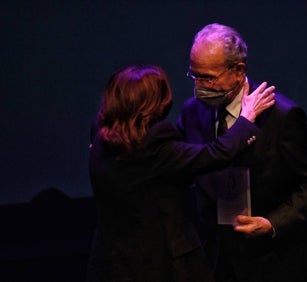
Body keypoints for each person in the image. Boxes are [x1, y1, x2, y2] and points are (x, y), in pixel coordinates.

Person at [86, 64, 276, 282]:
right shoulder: (154, 141)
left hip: (111, 264)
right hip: (160, 263)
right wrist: (247, 117)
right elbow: (214, 155)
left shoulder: (101, 136)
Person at [177, 23, 307, 282]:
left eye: (208, 77)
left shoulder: (282, 116)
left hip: (274, 263)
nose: (200, 86)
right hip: (216, 261)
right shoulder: (193, 112)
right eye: (195, 76)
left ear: (238, 71)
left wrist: (272, 223)